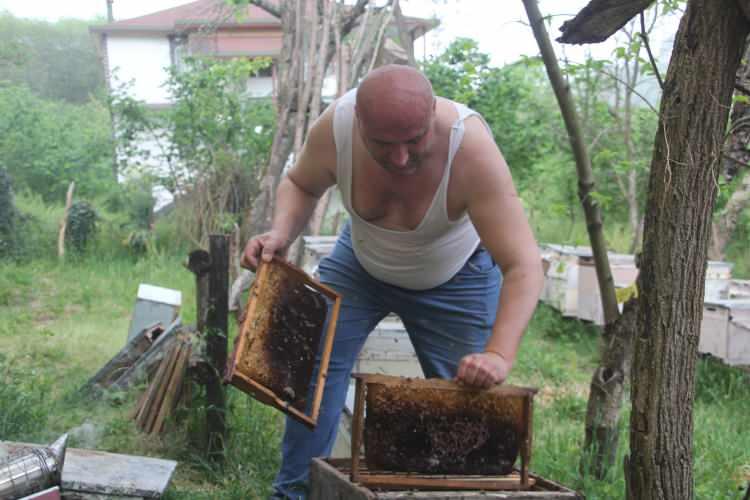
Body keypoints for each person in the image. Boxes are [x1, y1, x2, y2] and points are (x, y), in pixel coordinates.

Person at [241, 64, 544, 500]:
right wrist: (281, 233)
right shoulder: (337, 128)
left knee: (466, 409)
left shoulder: (470, 148)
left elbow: (523, 265)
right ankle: (294, 493)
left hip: (457, 278)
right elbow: (300, 183)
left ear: (433, 116)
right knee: (314, 374)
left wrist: (497, 353)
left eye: (414, 140)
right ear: (358, 123)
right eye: (383, 144)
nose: (400, 158)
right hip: (360, 265)